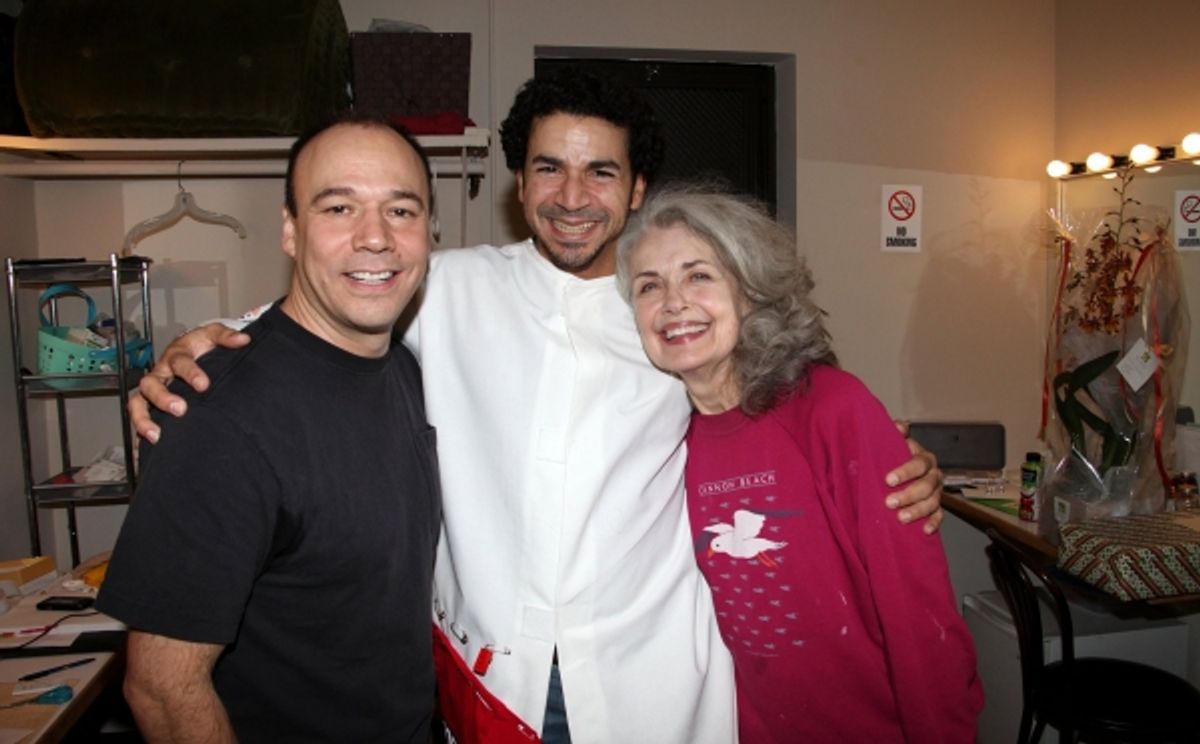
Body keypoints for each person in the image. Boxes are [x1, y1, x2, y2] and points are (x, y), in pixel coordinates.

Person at [129, 68, 945, 743]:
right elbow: (327, 314)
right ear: (520, 184)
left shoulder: (669, 314)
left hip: (653, 681)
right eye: (550, 167)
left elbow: (786, 404)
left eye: (602, 172)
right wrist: (198, 345)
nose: (573, 195)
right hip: (494, 680)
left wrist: (893, 460)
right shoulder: (449, 286)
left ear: (636, 191)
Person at [95, 115, 442, 743]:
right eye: (339, 207)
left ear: (429, 232)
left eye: (401, 211)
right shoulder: (218, 416)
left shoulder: (407, 369)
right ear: (290, 229)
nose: (375, 238)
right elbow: (163, 689)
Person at [615, 185, 983, 743]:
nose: (672, 303)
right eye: (649, 286)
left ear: (749, 290)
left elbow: (919, 616)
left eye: (698, 276)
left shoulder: (834, 411)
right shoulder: (656, 444)